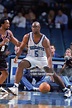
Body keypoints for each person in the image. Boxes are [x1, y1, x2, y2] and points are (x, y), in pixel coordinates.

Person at [8, 21, 71, 98]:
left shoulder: (45, 40)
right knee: (21, 64)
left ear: (39, 28)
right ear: (31, 28)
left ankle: (66, 89)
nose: (34, 28)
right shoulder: (27, 36)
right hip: (31, 58)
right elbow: (21, 47)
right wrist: (17, 56)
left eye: (36, 27)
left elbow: (49, 56)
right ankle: (15, 87)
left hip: (42, 59)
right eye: (33, 27)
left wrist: (50, 67)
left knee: (52, 74)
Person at [0, 17, 21, 92]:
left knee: (5, 74)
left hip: (1, 56)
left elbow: (17, 43)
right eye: (7, 23)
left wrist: (26, 45)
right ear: (2, 24)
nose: (8, 25)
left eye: (9, 23)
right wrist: (2, 43)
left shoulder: (9, 33)